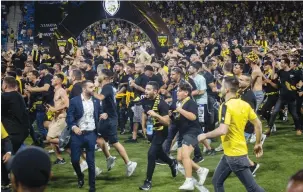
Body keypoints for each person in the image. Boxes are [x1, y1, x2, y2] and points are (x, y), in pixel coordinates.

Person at [197, 76, 265, 192]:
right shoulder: (244, 104)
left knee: (253, 188)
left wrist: (205, 135)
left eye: (222, 86)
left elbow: (223, 130)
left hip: (235, 155)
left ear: (227, 90)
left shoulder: (226, 106)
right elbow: (258, 124)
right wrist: (258, 143)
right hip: (231, 152)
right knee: (217, 181)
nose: (220, 88)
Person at [93, 69, 138, 176]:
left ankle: (129, 163)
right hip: (107, 117)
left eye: (99, 74)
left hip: (110, 119)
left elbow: (100, 97)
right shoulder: (108, 87)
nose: (97, 76)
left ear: (104, 77)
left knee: (114, 142)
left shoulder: (107, 87)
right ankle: (109, 158)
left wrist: (89, 91)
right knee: (99, 139)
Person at [139, 81, 178, 190]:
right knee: (158, 152)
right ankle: (172, 162)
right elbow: (144, 113)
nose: (146, 91)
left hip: (161, 131)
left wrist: (156, 115)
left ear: (155, 91)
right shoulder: (145, 100)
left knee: (151, 154)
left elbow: (167, 122)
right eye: (145, 89)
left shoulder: (162, 104)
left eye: (148, 89)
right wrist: (143, 127)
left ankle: (148, 181)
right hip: (151, 131)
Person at [66, 80, 102, 192]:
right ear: (84, 89)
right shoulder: (74, 101)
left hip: (91, 134)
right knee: (75, 160)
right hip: (77, 135)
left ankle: (92, 186)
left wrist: (103, 114)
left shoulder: (96, 101)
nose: (93, 89)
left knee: (91, 162)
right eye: (91, 87)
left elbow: (99, 113)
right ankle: (80, 176)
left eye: (94, 87)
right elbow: (69, 117)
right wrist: (73, 126)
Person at [173, 83, 209, 191]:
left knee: (185, 155)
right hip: (183, 132)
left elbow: (193, 117)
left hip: (192, 131)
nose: (177, 93)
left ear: (186, 92)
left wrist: (180, 110)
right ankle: (200, 170)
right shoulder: (180, 103)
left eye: (179, 91)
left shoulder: (190, 103)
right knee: (179, 158)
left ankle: (188, 181)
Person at [267, 57, 303, 136]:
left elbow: (301, 80)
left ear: (286, 64)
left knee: (294, 114)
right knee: (274, 112)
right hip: (282, 97)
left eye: (282, 63)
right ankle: (269, 128)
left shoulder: (295, 73)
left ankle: (298, 129)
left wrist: (300, 87)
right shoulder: (280, 72)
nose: (281, 64)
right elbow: (273, 77)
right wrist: (273, 67)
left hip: (292, 97)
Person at [45, 74, 69, 165]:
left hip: (61, 118)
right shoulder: (56, 90)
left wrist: (55, 109)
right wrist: (52, 110)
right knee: (53, 138)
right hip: (56, 118)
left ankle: (67, 142)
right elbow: (59, 104)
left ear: (59, 81)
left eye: (54, 78)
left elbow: (67, 104)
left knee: (49, 138)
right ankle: (60, 158)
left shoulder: (61, 91)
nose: (51, 80)